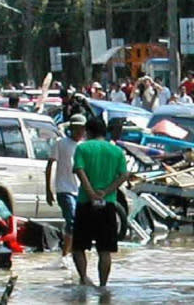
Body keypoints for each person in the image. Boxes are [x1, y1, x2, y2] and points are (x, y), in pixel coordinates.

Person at [71, 118, 129, 287]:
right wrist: (106, 192)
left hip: (84, 203)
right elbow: (124, 175)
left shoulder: (82, 148)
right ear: (105, 132)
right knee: (105, 250)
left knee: (79, 246)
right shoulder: (117, 151)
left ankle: (84, 279)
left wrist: (90, 192)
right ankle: (103, 286)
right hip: (108, 204)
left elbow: (79, 170)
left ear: (88, 132)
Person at [45, 114, 86, 261]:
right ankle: (65, 255)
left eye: (82, 129)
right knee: (72, 221)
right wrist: (48, 190)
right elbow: (50, 165)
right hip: (64, 189)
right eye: (76, 129)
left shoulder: (84, 146)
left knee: (78, 223)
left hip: (80, 189)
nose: (79, 132)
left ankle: (72, 252)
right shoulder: (60, 143)